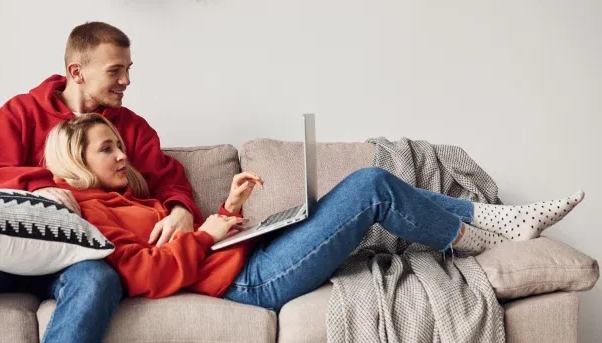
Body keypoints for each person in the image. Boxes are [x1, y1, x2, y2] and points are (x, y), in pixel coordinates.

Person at [44, 113, 586, 311]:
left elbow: (184, 243)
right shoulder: (86, 215)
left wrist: (230, 210)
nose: (122, 154)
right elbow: (146, 275)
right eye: (106, 149)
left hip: (247, 255)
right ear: (76, 160)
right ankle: (489, 231)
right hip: (248, 283)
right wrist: (208, 236)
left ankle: (495, 218)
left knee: (364, 188)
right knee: (370, 186)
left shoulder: (130, 197)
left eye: (119, 144)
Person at [0, 22, 197, 342]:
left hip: (78, 259)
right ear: (77, 71)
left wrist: (181, 209)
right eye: (115, 71)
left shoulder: (131, 128)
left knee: (99, 280)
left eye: (127, 69)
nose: (126, 81)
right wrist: (39, 185)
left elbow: (169, 178)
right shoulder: (21, 112)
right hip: (8, 250)